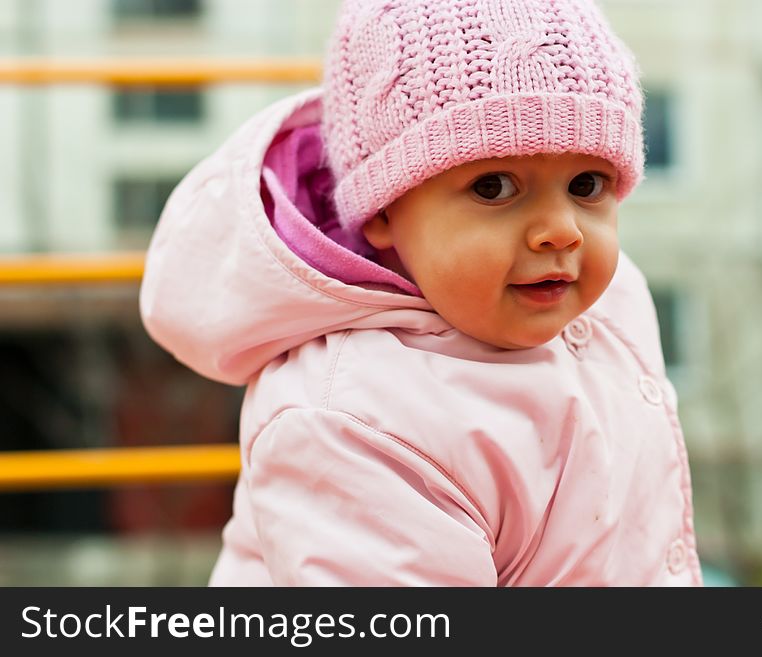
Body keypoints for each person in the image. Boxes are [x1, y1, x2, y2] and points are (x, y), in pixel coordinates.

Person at [140, 0, 703, 586]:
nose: (561, 229)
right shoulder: (354, 419)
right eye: (494, 186)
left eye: (587, 184)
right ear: (384, 210)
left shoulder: (611, 303)